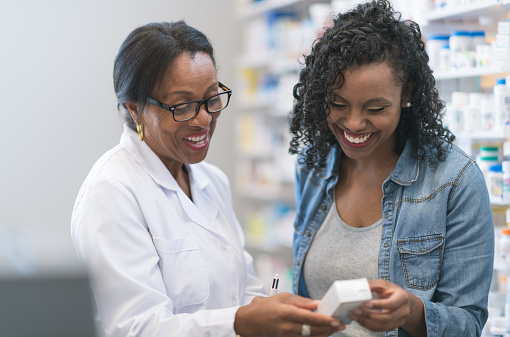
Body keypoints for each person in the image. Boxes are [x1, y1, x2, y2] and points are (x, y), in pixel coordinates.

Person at [71, 21, 344, 337]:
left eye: (212, 98)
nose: (204, 119)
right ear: (136, 109)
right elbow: (135, 328)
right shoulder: (111, 192)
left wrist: (280, 313)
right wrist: (239, 322)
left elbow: (245, 289)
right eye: (183, 106)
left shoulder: (211, 180)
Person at [288, 1, 495, 337]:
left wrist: (412, 313)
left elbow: (468, 323)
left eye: (375, 107)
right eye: (337, 104)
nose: (353, 124)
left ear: (407, 93)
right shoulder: (313, 165)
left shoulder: (455, 181)